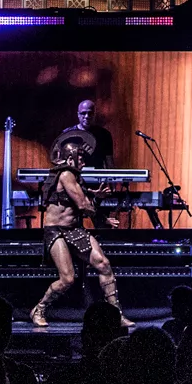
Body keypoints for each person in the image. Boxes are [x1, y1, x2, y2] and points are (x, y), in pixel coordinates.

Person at [30, 131, 132, 328]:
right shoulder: (66, 175)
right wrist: (101, 216)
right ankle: (39, 308)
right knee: (67, 278)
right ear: (70, 158)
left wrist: (95, 198)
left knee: (103, 264)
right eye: (80, 159)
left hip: (74, 229)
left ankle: (116, 314)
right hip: (57, 231)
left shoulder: (76, 178)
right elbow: (83, 205)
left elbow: (84, 199)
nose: (84, 163)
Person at [73, 98, 116, 169]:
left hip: (97, 174)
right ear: (78, 114)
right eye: (83, 113)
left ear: (94, 114)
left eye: (90, 113)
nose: (87, 116)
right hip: (74, 174)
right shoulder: (68, 134)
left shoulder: (104, 135)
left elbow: (109, 162)